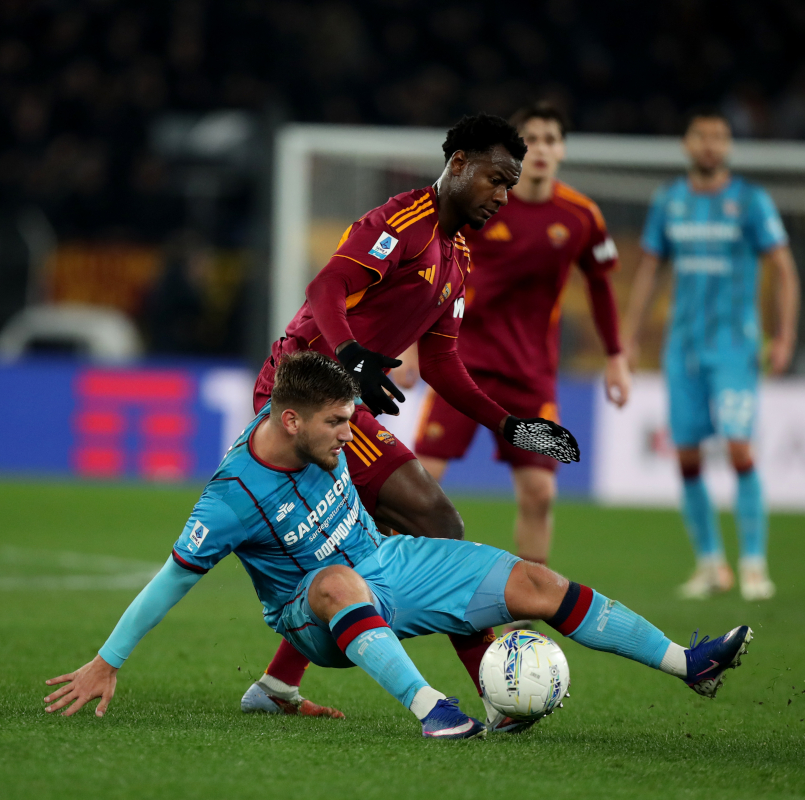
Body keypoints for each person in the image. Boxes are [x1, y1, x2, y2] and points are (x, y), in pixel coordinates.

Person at [44, 352, 754, 739]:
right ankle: (433, 712)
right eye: (334, 425)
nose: (347, 435)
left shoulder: (323, 422)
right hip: (310, 611)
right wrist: (108, 661)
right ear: (288, 422)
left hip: (390, 565)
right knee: (332, 583)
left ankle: (684, 661)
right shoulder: (232, 496)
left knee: (536, 582)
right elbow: (170, 579)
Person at [239, 114, 582, 731]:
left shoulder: (456, 254)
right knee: (436, 520)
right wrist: (350, 356)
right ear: (458, 166)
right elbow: (326, 287)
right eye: (496, 180)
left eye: (510, 185)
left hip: (347, 396)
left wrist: (510, 426)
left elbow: (445, 362)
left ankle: (276, 684)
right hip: (303, 392)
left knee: (355, 543)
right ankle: (496, 691)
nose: (503, 196)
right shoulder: (402, 222)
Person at [403, 101, 629, 585]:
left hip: (530, 373)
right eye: (535, 140)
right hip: (461, 362)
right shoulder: (481, 203)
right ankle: (390, 580)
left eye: (552, 139)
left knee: (539, 494)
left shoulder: (580, 216)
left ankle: (525, 612)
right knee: (419, 481)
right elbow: (430, 271)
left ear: (563, 148)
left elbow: (601, 284)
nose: (544, 149)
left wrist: (615, 356)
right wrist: (409, 343)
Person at [620, 107, 800, 602]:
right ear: (687, 143)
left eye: (720, 137)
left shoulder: (749, 202)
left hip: (736, 348)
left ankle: (754, 565)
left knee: (740, 448)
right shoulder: (669, 201)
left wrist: (783, 336)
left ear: (728, 146)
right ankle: (711, 565)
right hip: (683, 349)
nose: (711, 145)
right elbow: (649, 271)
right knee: (688, 456)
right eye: (702, 136)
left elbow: (784, 268)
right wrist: (627, 338)